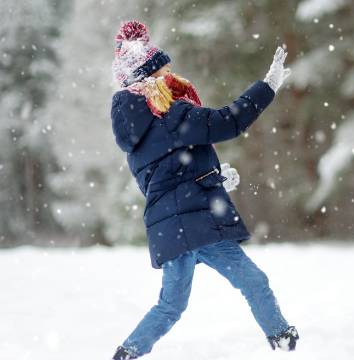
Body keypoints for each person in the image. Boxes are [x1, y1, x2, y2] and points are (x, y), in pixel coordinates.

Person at [109, 20, 297, 359]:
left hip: (171, 228)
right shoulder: (169, 114)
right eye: (164, 69)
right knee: (254, 282)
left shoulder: (135, 136)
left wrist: (214, 179)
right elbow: (229, 120)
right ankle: (284, 340)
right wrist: (268, 86)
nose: (171, 73)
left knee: (170, 306)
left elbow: (161, 182)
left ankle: (127, 352)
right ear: (150, 78)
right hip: (198, 226)